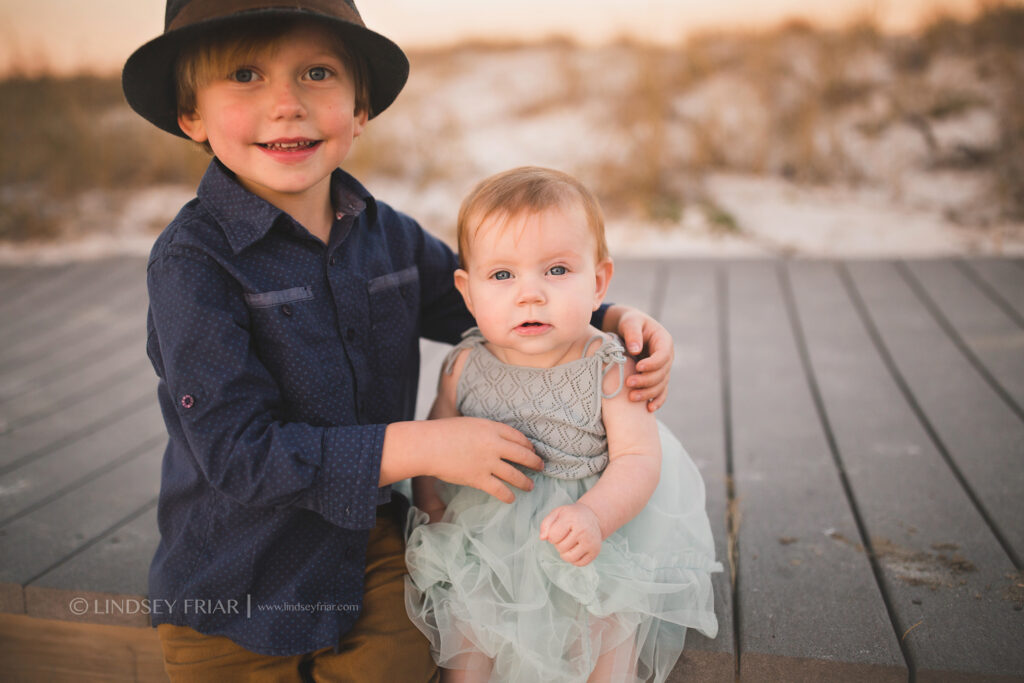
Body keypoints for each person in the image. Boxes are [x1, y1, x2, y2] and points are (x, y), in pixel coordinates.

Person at [121, 2, 677, 680]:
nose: (286, 105)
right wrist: (425, 443)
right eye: (245, 75)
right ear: (193, 116)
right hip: (236, 570)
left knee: (413, 659)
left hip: (363, 544)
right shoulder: (192, 264)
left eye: (317, 74)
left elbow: (488, 302)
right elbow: (239, 454)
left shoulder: (389, 237)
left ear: (360, 111)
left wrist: (613, 318)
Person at [405, 167, 721, 683]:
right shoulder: (463, 365)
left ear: (598, 282)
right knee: (470, 625)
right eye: (502, 276)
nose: (530, 294)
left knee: (604, 621)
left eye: (555, 270)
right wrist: (433, 507)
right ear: (467, 291)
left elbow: (639, 461)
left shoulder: (609, 368)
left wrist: (595, 518)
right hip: (487, 532)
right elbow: (432, 442)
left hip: (594, 528)